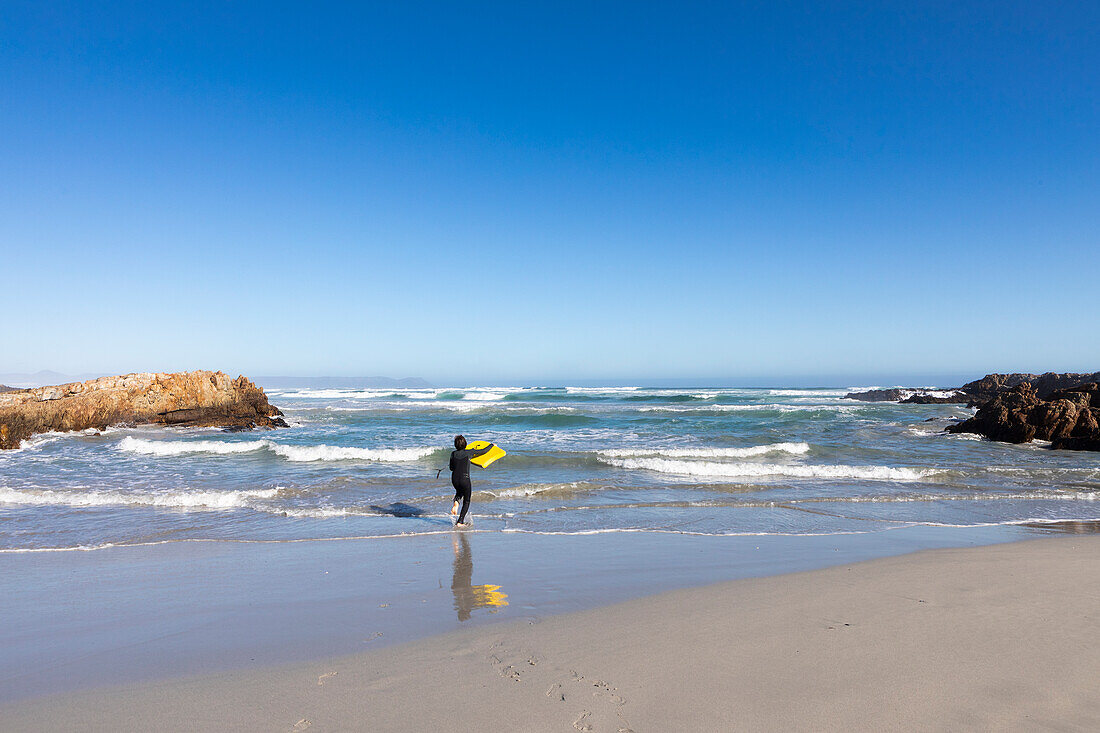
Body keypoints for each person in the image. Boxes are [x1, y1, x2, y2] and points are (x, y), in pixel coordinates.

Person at [449, 435, 492, 525]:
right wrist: (492, 445)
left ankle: (456, 503)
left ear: (455, 445)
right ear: (465, 444)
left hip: (454, 479)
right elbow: (483, 451)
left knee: (459, 491)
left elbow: (451, 468)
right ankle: (460, 521)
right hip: (465, 479)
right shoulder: (469, 452)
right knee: (467, 500)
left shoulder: (453, 454)